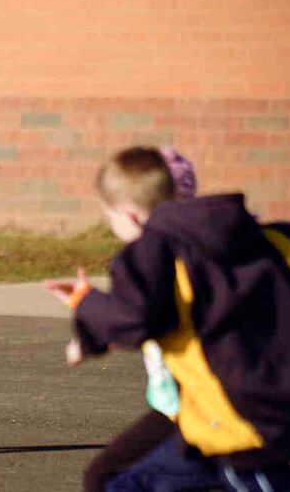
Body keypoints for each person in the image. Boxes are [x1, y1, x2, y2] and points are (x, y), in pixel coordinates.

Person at [47, 146, 290, 491]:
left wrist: (85, 307)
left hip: (241, 427)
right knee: (116, 484)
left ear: (129, 215)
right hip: (213, 423)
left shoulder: (153, 251)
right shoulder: (245, 236)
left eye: (111, 220)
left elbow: (131, 317)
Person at [80, 147, 196, 492]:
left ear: (129, 215)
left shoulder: (150, 260)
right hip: (187, 406)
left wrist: (88, 317)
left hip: (192, 409)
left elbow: (132, 321)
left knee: (105, 477)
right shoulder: (197, 251)